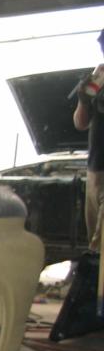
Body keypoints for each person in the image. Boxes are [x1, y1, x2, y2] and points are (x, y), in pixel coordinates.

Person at [73, 28, 104, 252]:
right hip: (95, 171)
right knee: (95, 244)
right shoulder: (99, 78)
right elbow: (80, 123)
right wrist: (84, 100)